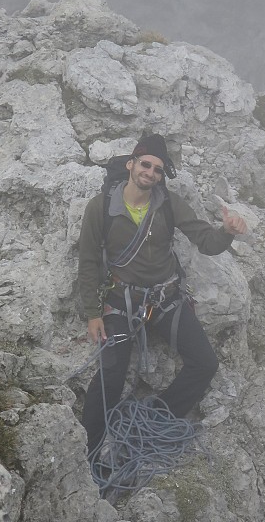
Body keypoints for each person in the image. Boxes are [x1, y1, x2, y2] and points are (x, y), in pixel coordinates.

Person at [78, 134, 247, 457]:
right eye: (145, 164)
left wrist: (226, 231)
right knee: (110, 378)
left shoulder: (168, 204)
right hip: (121, 302)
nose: (150, 173)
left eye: (157, 169)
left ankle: (153, 423)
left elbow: (207, 242)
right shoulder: (101, 207)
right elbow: (87, 262)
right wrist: (93, 312)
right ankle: (90, 452)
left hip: (165, 299)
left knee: (205, 363)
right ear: (131, 164)